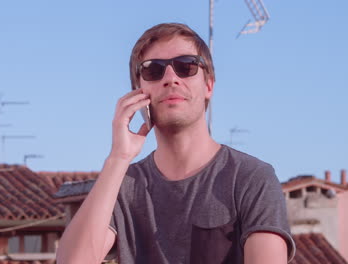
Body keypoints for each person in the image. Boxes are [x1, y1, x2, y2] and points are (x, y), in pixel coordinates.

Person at [57, 23, 295, 264]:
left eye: (186, 66)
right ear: (137, 92)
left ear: (208, 86)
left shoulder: (251, 178)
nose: (171, 78)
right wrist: (118, 157)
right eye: (153, 70)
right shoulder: (122, 186)